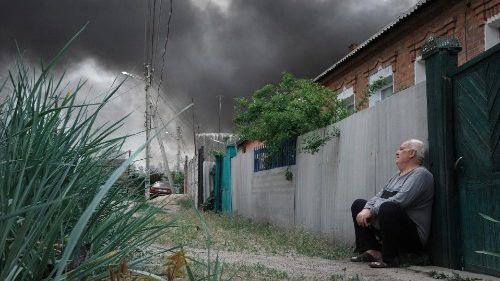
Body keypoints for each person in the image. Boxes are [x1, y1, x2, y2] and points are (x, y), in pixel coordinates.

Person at [350, 139, 434, 268]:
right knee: (359, 204)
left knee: (389, 207)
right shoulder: (397, 176)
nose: (397, 152)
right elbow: (378, 196)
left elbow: (401, 200)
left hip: (413, 237)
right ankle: (372, 251)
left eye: (401, 149)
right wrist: (367, 208)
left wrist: (372, 211)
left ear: (412, 153)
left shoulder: (421, 175)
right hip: (389, 229)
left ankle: (390, 258)